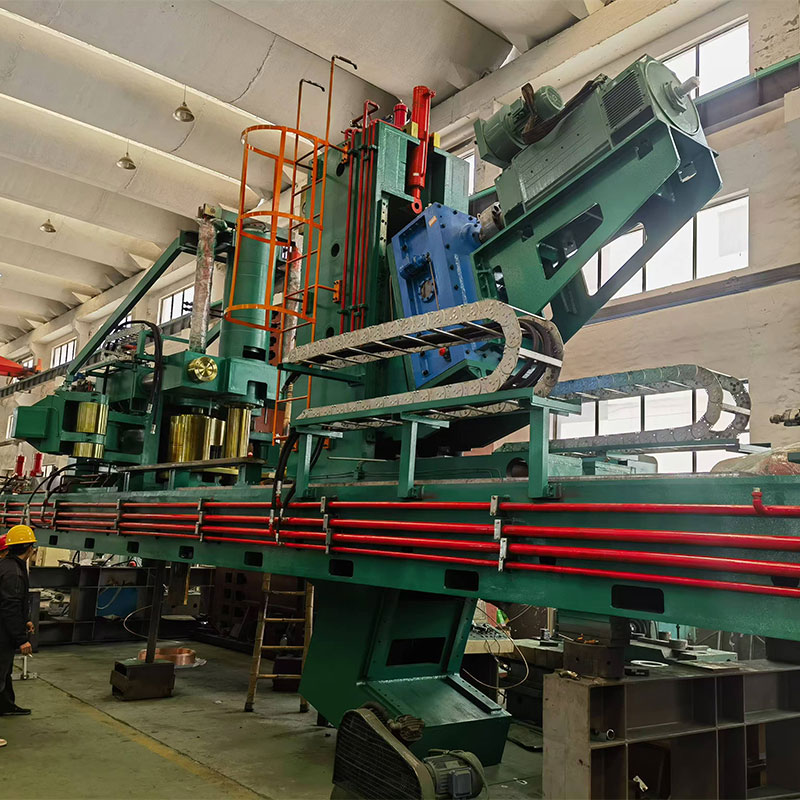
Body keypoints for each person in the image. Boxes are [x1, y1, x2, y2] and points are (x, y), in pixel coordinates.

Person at [0, 525, 36, 746]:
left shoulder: (7, 566)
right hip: (2, 635)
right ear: (30, 548)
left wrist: (25, 620)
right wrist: (22, 639)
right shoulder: (14, 572)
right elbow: (9, 607)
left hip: (4, 631)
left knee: (3, 678)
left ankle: (6, 706)